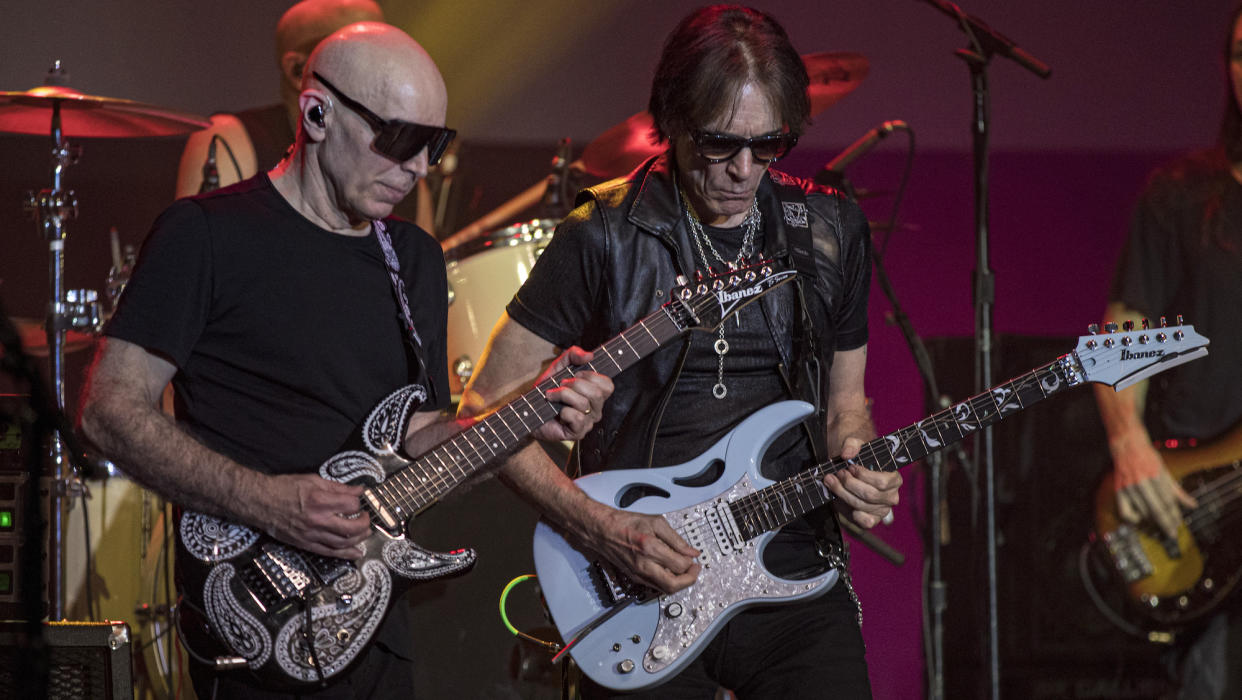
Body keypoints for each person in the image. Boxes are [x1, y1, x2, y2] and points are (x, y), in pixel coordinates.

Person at [80, 22, 611, 699]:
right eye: (399, 141)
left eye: (435, 144)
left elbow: (419, 438)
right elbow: (108, 408)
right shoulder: (205, 236)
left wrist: (530, 412)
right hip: (254, 607)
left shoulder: (411, 257)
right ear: (316, 114)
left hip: (373, 616)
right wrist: (267, 502)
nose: (419, 167)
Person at [458, 6, 901, 698]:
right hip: (636, 579)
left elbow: (847, 406)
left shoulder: (828, 229)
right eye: (721, 145)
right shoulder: (603, 234)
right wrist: (598, 528)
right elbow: (483, 411)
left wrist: (859, 466)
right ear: (672, 122)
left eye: (768, 146)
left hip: (789, 562)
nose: (744, 170)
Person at [1093, 6, 1242, 698]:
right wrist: (1130, 446)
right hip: (1203, 503)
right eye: (1239, 54)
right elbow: (1122, 339)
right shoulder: (1182, 197)